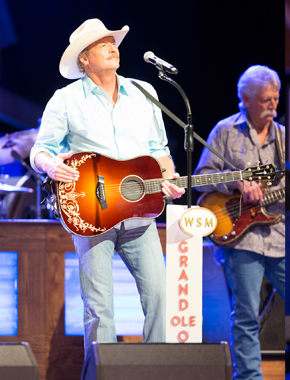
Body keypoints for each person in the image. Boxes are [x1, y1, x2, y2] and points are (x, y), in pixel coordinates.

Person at [30, 19, 185, 356]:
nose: (113, 47)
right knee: (100, 310)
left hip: (139, 213)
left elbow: (159, 149)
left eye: (113, 42)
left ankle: (157, 371)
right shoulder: (66, 99)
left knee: (161, 296)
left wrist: (168, 175)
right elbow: (39, 149)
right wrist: (50, 163)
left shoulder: (145, 93)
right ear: (84, 58)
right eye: (103, 44)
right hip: (91, 213)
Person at [194, 65, 285, 380]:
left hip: (282, 236)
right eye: (265, 100)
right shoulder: (225, 131)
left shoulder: (285, 137)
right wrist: (236, 184)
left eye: (275, 98)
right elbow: (201, 179)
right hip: (240, 237)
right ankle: (248, 377)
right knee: (246, 315)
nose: (273, 105)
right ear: (245, 100)